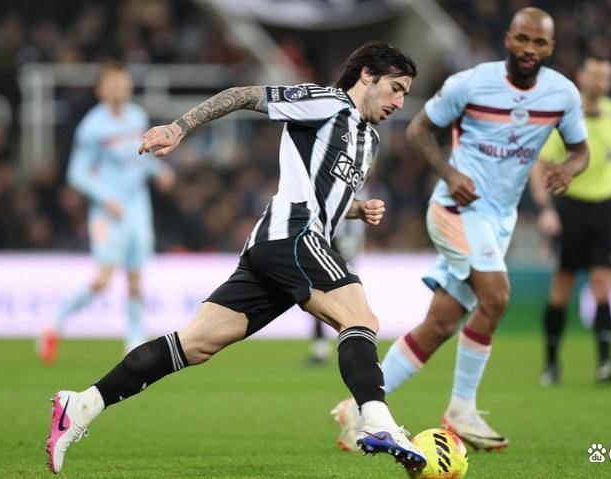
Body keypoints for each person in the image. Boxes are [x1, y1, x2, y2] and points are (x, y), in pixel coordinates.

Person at [44, 41, 426, 474]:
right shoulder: (326, 102)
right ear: (367, 76)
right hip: (292, 235)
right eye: (395, 88)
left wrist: (357, 208)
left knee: (194, 345)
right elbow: (244, 95)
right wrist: (179, 128)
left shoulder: (368, 138)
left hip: (279, 247)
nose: (399, 102)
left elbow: (322, 191)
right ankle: (375, 422)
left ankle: (81, 405)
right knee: (360, 318)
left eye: (405, 94)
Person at [332, 8, 589, 452]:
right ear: (508, 39)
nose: (529, 49)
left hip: (499, 220)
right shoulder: (470, 84)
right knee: (497, 296)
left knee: (439, 325)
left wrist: (569, 168)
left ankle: (356, 411)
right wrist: (450, 175)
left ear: (551, 47)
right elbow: (418, 131)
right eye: (522, 39)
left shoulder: (562, 94)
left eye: (539, 42)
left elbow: (581, 150)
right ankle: (461, 409)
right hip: (456, 209)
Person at [37, 63, 174, 364]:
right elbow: (76, 173)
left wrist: (159, 171)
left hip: (137, 206)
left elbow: (140, 158)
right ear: (101, 90)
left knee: (136, 278)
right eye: (113, 84)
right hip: (108, 212)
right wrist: (106, 197)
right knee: (103, 279)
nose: (119, 89)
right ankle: (54, 325)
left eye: (123, 83)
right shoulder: (92, 127)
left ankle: (134, 340)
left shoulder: (137, 116)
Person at [530, 56, 611, 386]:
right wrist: (545, 208)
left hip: (606, 207)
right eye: (596, 75)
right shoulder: (563, 116)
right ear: (581, 77)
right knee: (562, 287)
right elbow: (540, 164)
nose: (602, 82)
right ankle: (551, 365)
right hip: (570, 206)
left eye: (607, 76)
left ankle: (605, 362)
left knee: (603, 284)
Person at [307, 219, 366, 365]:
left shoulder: (334, 213)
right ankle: (354, 351)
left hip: (331, 263)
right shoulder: (356, 218)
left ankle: (323, 350)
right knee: (348, 310)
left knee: (319, 304)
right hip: (343, 264)